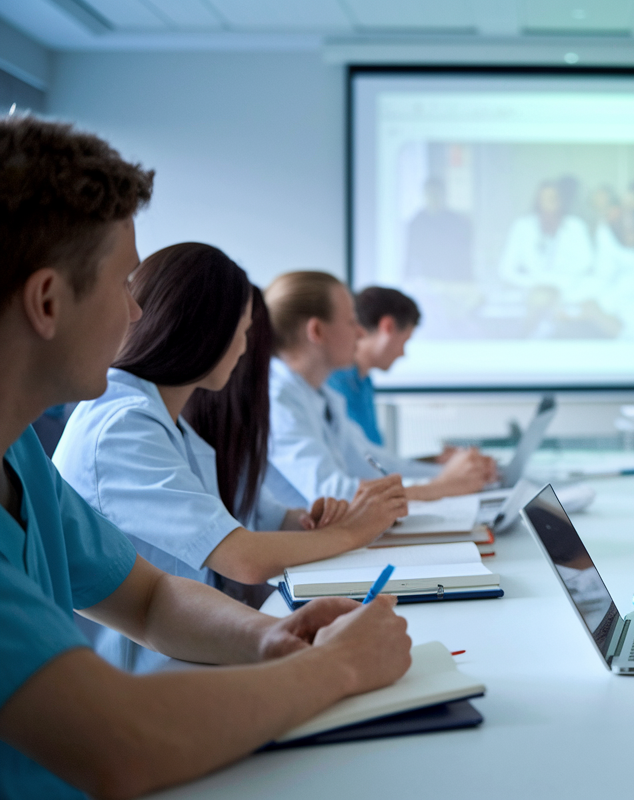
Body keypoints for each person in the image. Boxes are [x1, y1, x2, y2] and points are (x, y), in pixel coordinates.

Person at [0, 114, 411, 799]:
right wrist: (336, 669)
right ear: (48, 301)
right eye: (123, 284)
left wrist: (269, 639)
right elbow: (118, 744)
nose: (136, 313)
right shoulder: (115, 422)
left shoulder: (21, 456)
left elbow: (152, 597)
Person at [52, 243, 407, 671]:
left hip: (189, 647)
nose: (244, 350)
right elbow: (243, 558)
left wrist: (312, 519)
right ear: (208, 331)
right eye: (242, 331)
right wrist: (354, 531)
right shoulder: (123, 425)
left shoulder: (168, 422)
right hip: (144, 670)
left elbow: (254, 518)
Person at [264, 270, 495, 505]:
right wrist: (442, 486)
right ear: (317, 331)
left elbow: (374, 463)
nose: (360, 332)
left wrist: (456, 474)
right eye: (351, 321)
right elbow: (336, 495)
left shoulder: (324, 396)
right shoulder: (276, 401)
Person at [327, 286, 421, 446]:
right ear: (388, 326)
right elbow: (357, 462)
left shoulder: (363, 381)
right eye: (404, 341)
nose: (402, 354)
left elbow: (375, 458)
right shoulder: (332, 383)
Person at [498, 178, 593, 297]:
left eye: (553, 199)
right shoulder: (522, 226)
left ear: (561, 201)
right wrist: (533, 284)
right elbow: (506, 270)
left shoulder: (576, 227)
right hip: (531, 292)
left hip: (567, 291)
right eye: (544, 199)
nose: (549, 204)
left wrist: (557, 283)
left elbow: (585, 263)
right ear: (537, 202)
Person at [403, 177, 473, 282]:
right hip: (425, 280)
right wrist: (407, 278)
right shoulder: (416, 223)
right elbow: (409, 254)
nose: (433, 198)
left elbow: (464, 255)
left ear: (444, 195)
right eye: (430, 194)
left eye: (437, 194)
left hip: (454, 279)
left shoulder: (457, 222)